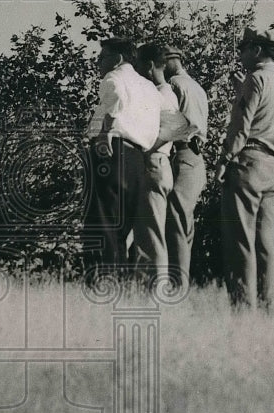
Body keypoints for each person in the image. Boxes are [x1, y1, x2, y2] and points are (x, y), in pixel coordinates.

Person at [215, 28, 274, 311]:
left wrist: (224, 160)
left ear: (257, 50)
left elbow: (241, 128)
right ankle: (268, 306)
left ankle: (243, 310)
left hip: (248, 164)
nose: (240, 53)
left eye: (243, 47)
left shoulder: (254, 80)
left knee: (240, 242)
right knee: (265, 243)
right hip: (272, 166)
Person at [82, 37, 161, 276]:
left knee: (102, 222)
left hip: (111, 152)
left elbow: (115, 98)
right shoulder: (148, 87)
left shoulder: (114, 78)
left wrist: (106, 131)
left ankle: (102, 282)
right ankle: (118, 279)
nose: (97, 62)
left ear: (117, 59)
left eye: (102, 57)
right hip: (137, 158)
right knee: (123, 227)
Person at [133, 41, 197, 282]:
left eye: (139, 65)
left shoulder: (164, 94)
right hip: (156, 164)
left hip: (155, 164)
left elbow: (179, 126)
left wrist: (147, 146)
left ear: (149, 66)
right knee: (147, 230)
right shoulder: (161, 93)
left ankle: (156, 287)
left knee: (152, 233)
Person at [164, 46, 209, 290]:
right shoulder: (196, 86)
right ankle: (179, 281)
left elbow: (187, 127)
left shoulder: (175, 84)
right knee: (183, 221)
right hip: (194, 158)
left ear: (171, 61)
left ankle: (178, 285)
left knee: (177, 220)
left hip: (184, 153)